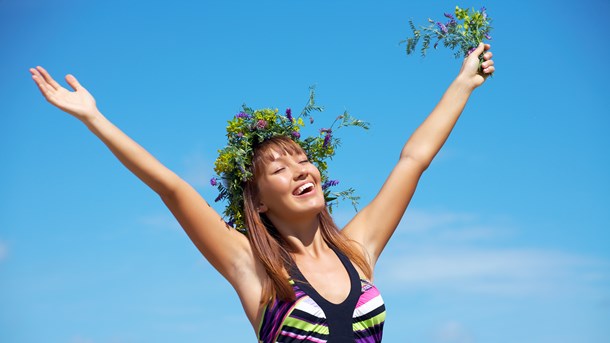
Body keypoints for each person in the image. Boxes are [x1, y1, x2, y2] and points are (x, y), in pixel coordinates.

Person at [29, 42, 495, 342]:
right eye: (279, 167)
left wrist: (463, 84)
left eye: (302, 159)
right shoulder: (253, 267)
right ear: (257, 198)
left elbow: (413, 161)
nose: (299, 169)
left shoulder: (357, 251)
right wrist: (94, 118)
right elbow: (170, 188)